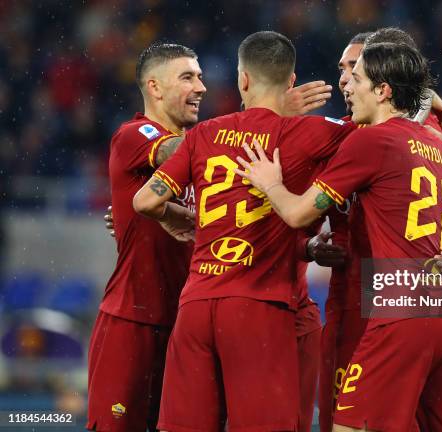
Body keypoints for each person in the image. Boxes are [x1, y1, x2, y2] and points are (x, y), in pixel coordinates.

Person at [235, 42, 442, 431]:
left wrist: (271, 184)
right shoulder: (439, 146)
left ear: (383, 90)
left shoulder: (369, 140)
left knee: (349, 425)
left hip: (402, 305)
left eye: (356, 77)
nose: (347, 86)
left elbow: (297, 212)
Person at [132, 31, 357, 431]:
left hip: (197, 304)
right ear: (290, 82)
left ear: (243, 80)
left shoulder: (204, 133)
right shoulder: (312, 133)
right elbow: (384, 131)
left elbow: (145, 202)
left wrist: (184, 220)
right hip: (259, 306)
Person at [316, 28, 442, 432]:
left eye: (354, 69)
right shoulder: (346, 131)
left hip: (393, 299)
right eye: (342, 69)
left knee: (355, 421)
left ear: (383, 82)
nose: (344, 79)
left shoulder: (394, 134)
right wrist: (310, 245)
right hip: (362, 293)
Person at [87, 42, 205, 432]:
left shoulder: (205, 157)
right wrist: (257, 122)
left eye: (200, 76)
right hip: (132, 323)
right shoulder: (135, 134)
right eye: (188, 77)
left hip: (188, 328)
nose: (201, 87)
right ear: (154, 87)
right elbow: (178, 150)